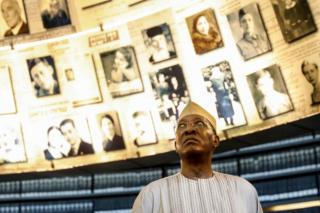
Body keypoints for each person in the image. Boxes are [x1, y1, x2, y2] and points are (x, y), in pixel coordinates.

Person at [132, 101, 263, 212]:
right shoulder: (151, 195)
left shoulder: (244, 190)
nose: (189, 130)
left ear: (215, 140)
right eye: (182, 126)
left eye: (199, 123)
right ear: (176, 145)